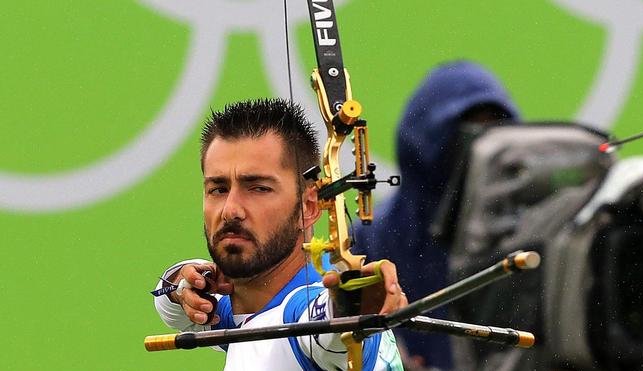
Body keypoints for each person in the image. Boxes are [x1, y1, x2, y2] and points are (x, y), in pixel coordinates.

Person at [152, 98, 406, 371]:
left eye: (258, 188)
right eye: (218, 189)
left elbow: (326, 325)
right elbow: (170, 304)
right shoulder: (241, 312)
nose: (230, 210)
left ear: (308, 207)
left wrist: (358, 300)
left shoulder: (303, 311)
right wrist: (180, 283)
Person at [352, 61, 521, 370]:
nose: (483, 154)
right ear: (425, 143)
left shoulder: (529, 236)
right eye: (470, 135)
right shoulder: (368, 239)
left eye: (496, 136)